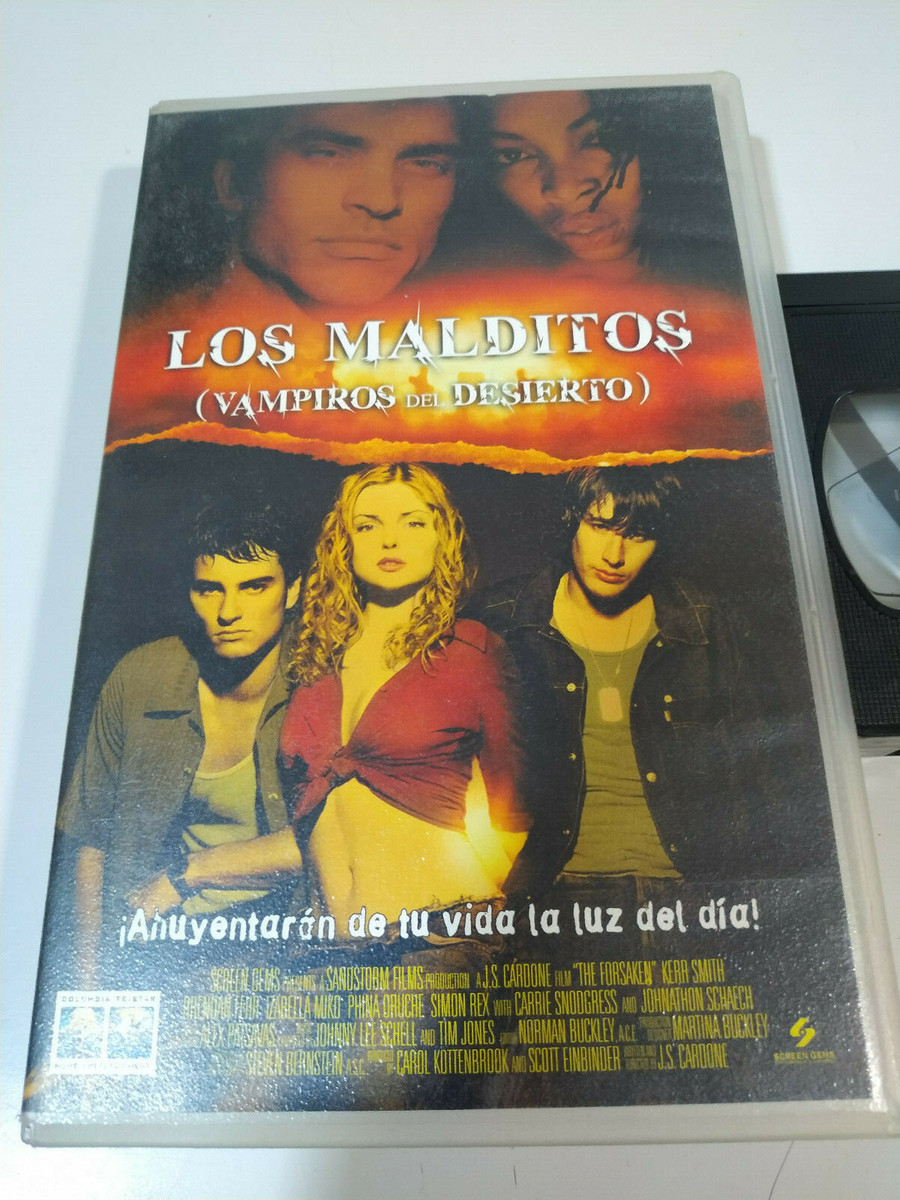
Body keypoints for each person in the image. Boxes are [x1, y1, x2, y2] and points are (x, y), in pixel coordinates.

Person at [473, 464, 796, 906]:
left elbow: (764, 778)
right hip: (550, 891)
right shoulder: (505, 620)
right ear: (571, 520)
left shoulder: (704, 624)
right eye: (600, 526)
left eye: (639, 535)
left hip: (690, 892)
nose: (615, 554)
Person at [57, 497, 304, 987]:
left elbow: (349, 837)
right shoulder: (142, 676)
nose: (229, 612)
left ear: (293, 588)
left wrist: (190, 874)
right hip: (165, 949)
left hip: (287, 948)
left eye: (254, 586)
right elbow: (91, 845)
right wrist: (87, 990)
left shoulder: (324, 677)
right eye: (209, 590)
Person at [280, 463, 529, 929]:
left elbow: (516, 818)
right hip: (325, 941)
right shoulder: (317, 655)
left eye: (413, 523)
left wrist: (463, 922)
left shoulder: (472, 651)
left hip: (434, 934)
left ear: (441, 538)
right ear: (343, 542)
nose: (389, 540)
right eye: (367, 526)